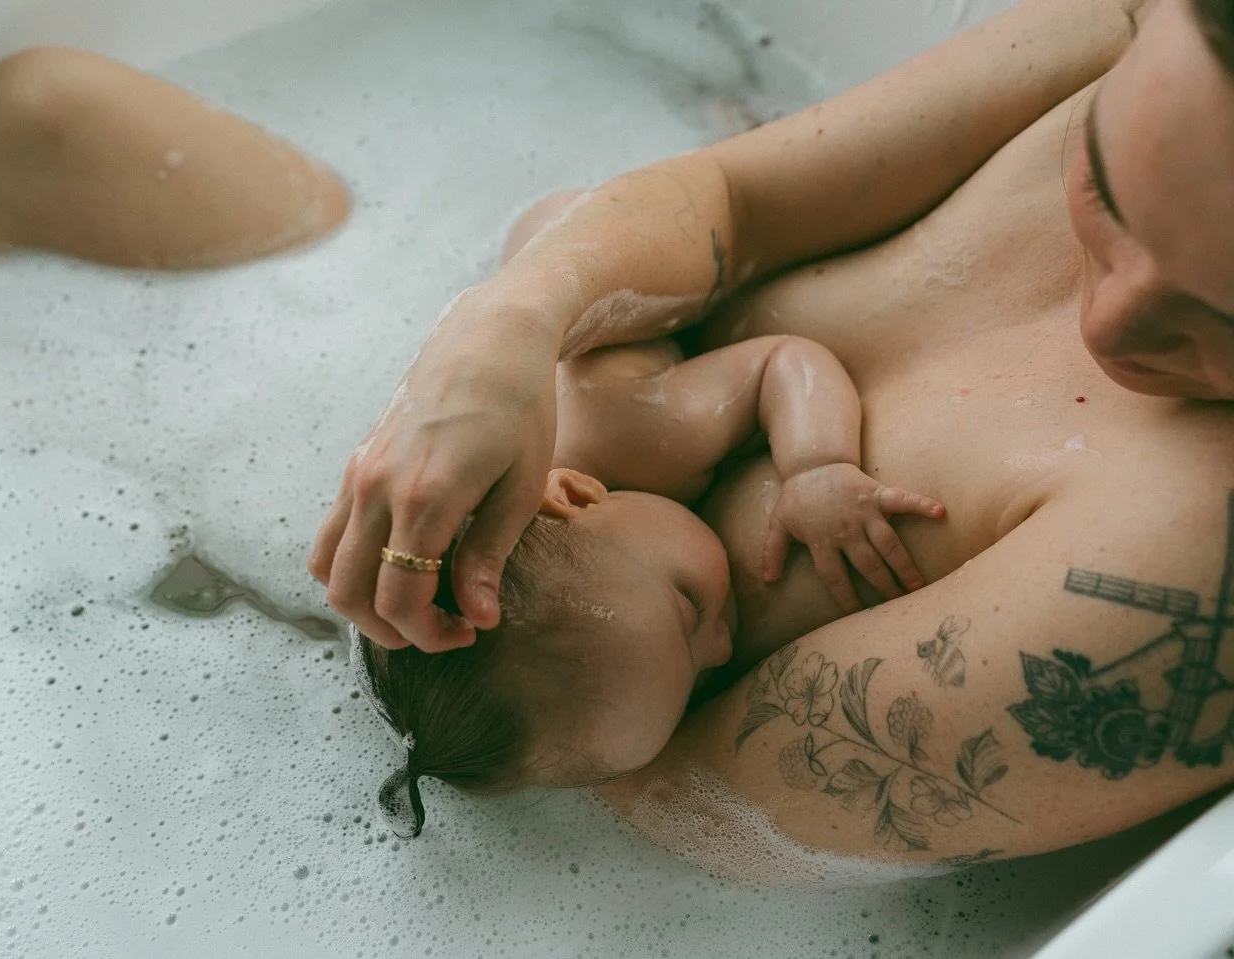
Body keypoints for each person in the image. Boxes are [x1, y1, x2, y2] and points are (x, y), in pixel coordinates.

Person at [312, 0, 1234, 872]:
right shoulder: (1164, 23)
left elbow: (702, 807)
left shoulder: (1192, 569)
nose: (1107, 324)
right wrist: (506, 321)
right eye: (1105, 185)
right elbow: (733, 201)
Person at [359, 305, 945, 831]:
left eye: (689, 606)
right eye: (697, 685)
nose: (721, 651)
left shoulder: (646, 435)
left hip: (614, 312)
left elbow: (784, 361)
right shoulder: (618, 554)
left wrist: (817, 467)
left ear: (577, 496)